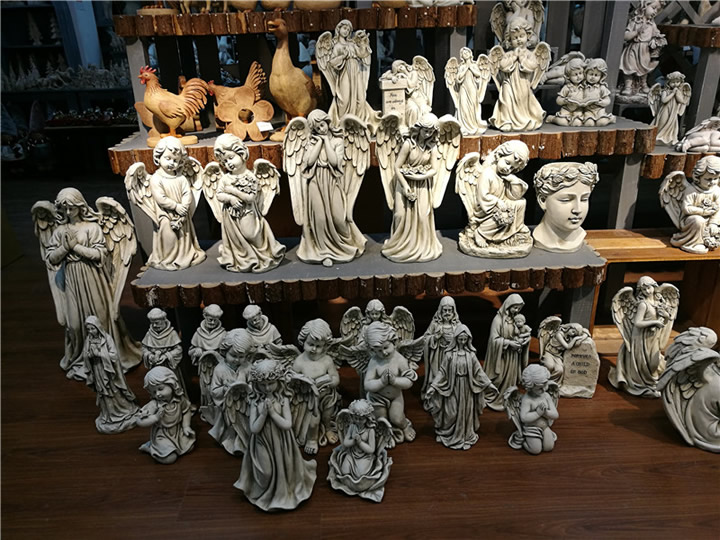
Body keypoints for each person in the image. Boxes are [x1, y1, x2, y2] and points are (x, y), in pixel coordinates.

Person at [45, 188, 142, 380]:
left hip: (92, 277)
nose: (68, 212)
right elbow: (51, 259)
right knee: (74, 324)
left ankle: (106, 356)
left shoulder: (92, 228)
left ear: (80, 206)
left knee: (101, 318)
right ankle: (83, 358)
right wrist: (65, 247)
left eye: (71, 207)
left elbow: (99, 254)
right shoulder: (59, 231)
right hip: (71, 278)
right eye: (64, 209)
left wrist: (75, 247)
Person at [234, 359, 317, 512]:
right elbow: (254, 429)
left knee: (284, 469)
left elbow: (287, 424)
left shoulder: (283, 400)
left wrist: (272, 413)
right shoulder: (254, 402)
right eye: (262, 384)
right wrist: (263, 414)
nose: (267, 388)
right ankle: (264, 493)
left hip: (281, 441)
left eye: (271, 383)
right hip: (262, 441)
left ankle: (281, 494)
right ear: (256, 384)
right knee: (266, 472)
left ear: (278, 382)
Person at [210, 134, 285, 273]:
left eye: (231, 158)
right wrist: (230, 199)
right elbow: (219, 195)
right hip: (231, 217)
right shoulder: (225, 179)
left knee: (250, 234)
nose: (228, 163)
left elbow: (250, 198)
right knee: (235, 237)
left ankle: (261, 252)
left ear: (242, 154)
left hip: (247, 212)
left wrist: (233, 191)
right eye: (224, 161)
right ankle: (240, 255)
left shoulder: (251, 177)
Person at [424, 325, 497, 450]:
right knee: (451, 412)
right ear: (456, 339)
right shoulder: (449, 355)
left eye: (464, 339)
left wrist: (489, 384)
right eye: (460, 339)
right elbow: (442, 372)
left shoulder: (471, 355)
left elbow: (479, 372)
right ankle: (446, 433)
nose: (462, 342)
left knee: (465, 412)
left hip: (466, 388)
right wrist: (433, 386)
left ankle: (465, 436)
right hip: (452, 387)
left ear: (468, 340)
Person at [146, 137, 206, 270]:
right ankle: (168, 258)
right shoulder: (156, 179)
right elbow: (160, 198)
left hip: (182, 214)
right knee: (169, 236)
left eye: (175, 160)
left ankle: (183, 255)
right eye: (168, 158)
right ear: (158, 157)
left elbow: (187, 193)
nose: (171, 163)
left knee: (183, 236)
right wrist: (176, 207)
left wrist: (184, 206)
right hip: (165, 215)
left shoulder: (181, 178)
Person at [82, 316, 139, 434]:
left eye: (92, 328)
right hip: (98, 370)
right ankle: (109, 415)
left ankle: (124, 410)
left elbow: (114, 355)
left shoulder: (107, 339)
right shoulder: (89, 340)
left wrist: (100, 354)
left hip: (109, 372)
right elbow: (85, 355)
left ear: (98, 327)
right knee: (103, 392)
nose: (91, 331)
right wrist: (89, 356)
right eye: (88, 329)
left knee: (114, 390)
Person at [291, 319, 341, 454]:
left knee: (327, 416)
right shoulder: (299, 361)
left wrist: (330, 382)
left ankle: (328, 428)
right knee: (313, 421)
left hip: (326, 396)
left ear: (325, 346)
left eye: (318, 346)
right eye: (310, 344)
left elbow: (335, 377)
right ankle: (312, 439)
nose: (314, 349)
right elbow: (292, 381)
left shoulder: (327, 360)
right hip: (308, 399)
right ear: (303, 341)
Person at [136, 366, 195, 464]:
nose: (157, 394)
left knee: (190, 447)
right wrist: (155, 418)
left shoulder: (180, 400)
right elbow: (139, 421)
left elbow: (186, 411)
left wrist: (186, 426)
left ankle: (170, 448)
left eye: (160, 389)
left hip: (177, 432)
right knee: (170, 459)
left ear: (172, 384)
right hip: (162, 436)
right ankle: (150, 448)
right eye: (154, 392)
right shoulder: (155, 404)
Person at [484, 294, 530, 411]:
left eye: (519, 308)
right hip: (502, 356)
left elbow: (522, 332)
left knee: (511, 379)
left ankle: (508, 397)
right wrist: (509, 343)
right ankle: (494, 397)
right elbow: (494, 339)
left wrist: (525, 341)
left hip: (513, 356)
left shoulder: (516, 319)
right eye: (515, 307)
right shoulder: (498, 320)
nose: (517, 310)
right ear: (508, 306)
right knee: (499, 378)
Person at [188, 304, 226, 423]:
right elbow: (190, 351)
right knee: (205, 390)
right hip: (204, 369)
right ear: (204, 316)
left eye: (215, 320)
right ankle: (207, 410)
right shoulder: (198, 333)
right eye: (210, 319)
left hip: (218, 368)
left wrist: (217, 354)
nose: (212, 322)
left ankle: (220, 411)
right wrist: (196, 351)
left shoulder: (223, 334)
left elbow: (227, 353)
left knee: (218, 388)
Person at [422, 296, 461, 401]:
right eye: (445, 310)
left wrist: (454, 340)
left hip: (452, 356)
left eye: (449, 310)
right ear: (440, 311)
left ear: (453, 311)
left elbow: (464, 339)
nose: (447, 313)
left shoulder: (457, 325)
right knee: (437, 376)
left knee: (451, 377)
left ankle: (451, 399)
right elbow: (425, 339)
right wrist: (435, 337)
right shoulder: (435, 324)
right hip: (438, 356)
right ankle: (436, 399)